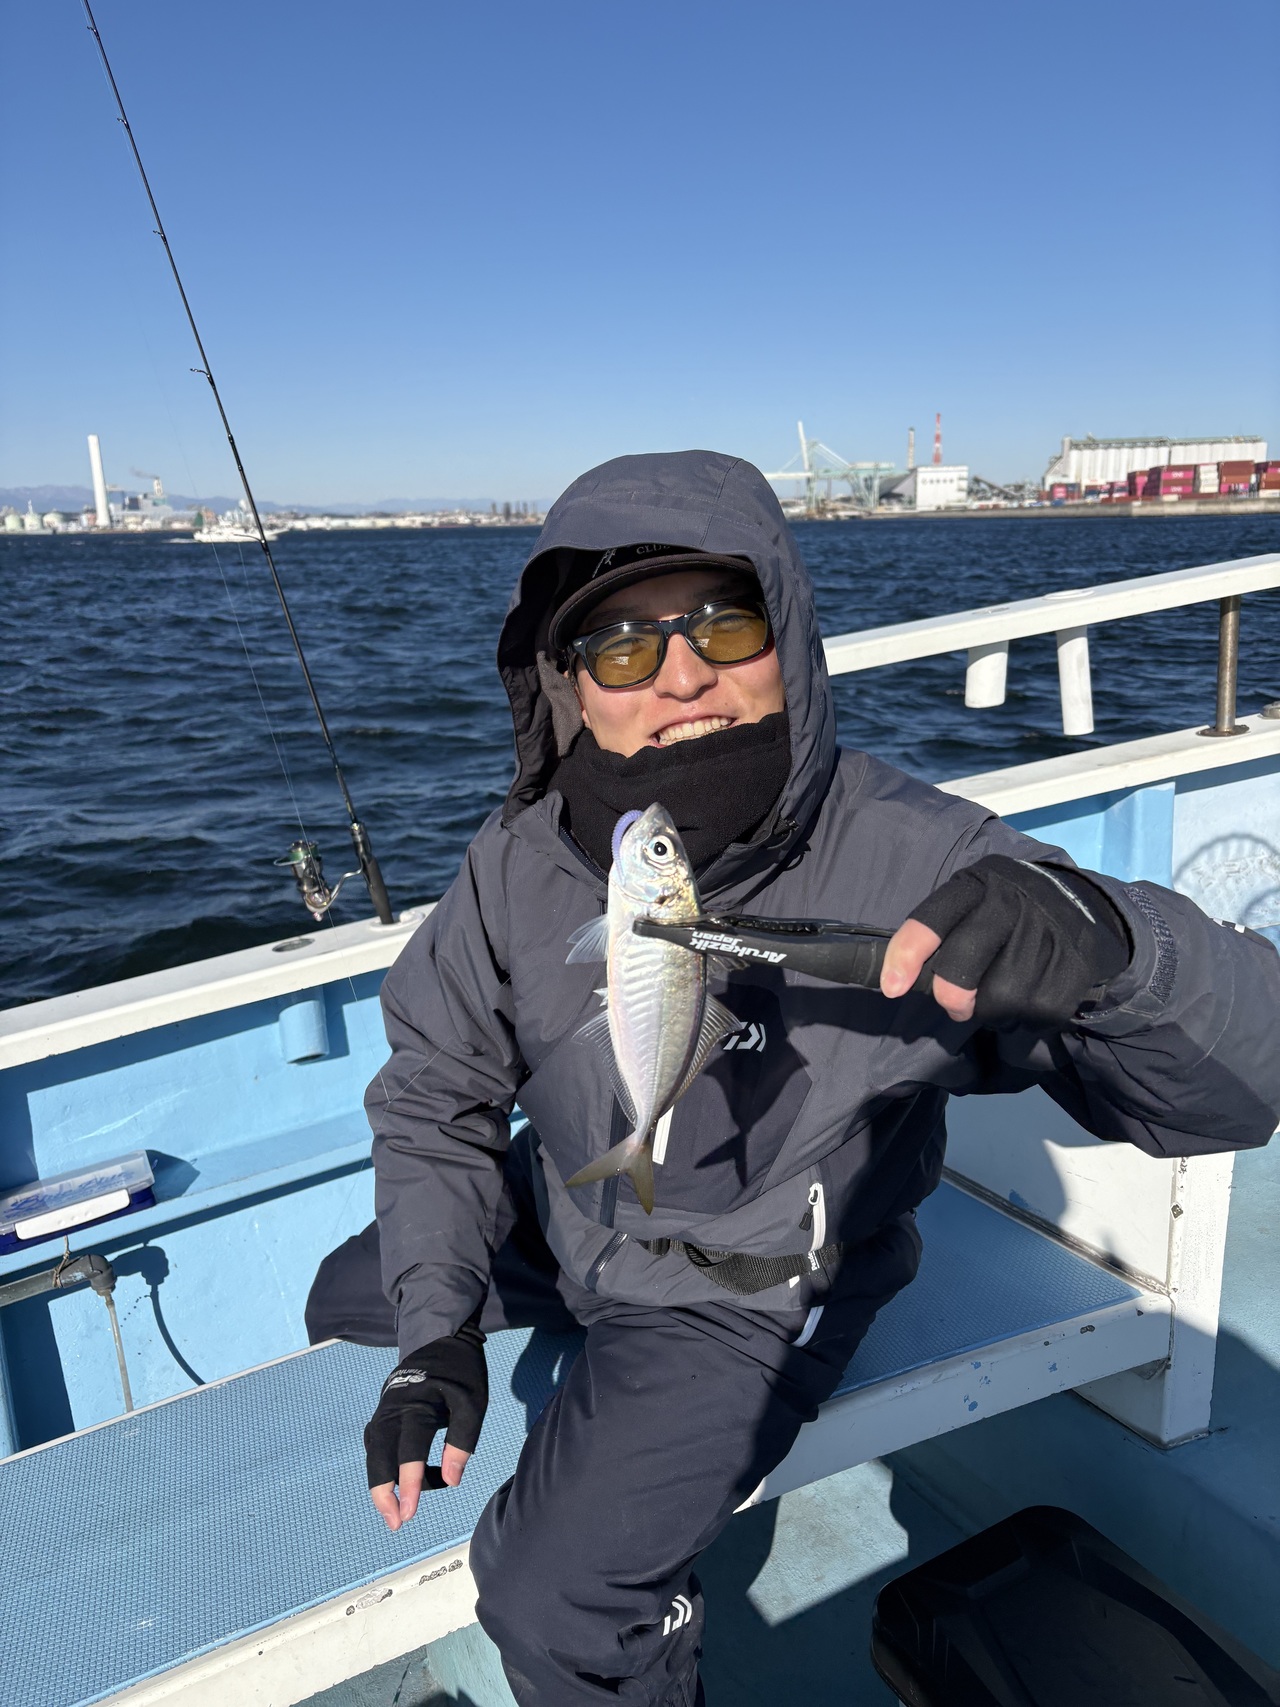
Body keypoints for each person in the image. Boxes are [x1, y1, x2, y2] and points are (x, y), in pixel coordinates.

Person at [307, 450, 1280, 1707]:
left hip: (749, 1281)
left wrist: (1114, 950)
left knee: (554, 1595)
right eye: (620, 649)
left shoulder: (919, 856)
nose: (679, 677)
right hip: (576, 1206)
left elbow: (1231, 1092)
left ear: (790, 638)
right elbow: (436, 1091)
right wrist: (434, 1338)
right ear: (568, 688)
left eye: (724, 624)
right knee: (351, 1298)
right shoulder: (516, 858)